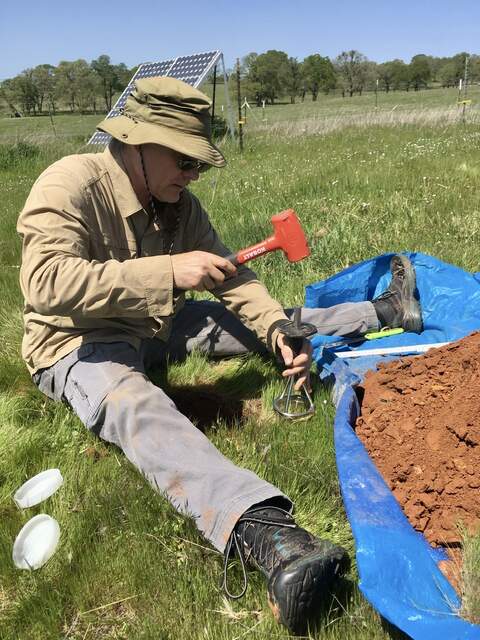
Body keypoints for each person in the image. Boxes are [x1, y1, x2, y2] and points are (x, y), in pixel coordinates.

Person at [17, 77, 422, 635]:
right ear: (137, 144)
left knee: (244, 320)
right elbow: (43, 282)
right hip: (78, 343)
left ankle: (383, 313)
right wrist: (167, 272)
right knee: (135, 403)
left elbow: (233, 279)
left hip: (151, 324)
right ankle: (268, 533)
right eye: (184, 160)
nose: (192, 174)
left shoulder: (179, 205)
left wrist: (278, 327)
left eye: (199, 165)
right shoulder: (70, 184)